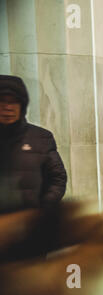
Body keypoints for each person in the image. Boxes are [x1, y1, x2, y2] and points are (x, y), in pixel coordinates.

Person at [0, 75, 67, 215]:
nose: (7, 107)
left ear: (22, 106)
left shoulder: (41, 138)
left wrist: (42, 210)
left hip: (29, 225)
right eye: (2, 101)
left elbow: (58, 178)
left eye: (14, 102)